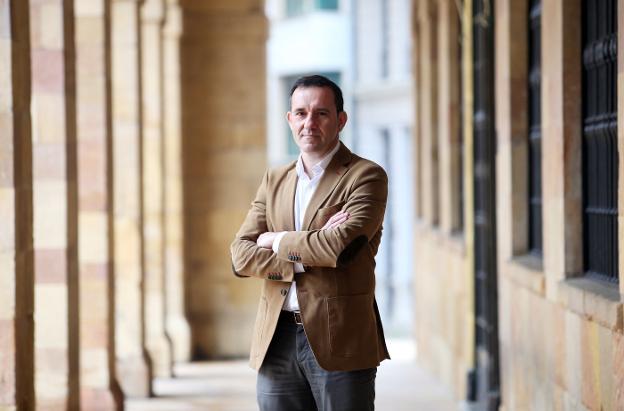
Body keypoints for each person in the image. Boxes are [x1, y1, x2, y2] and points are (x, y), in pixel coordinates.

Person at [230, 74, 390, 411]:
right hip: (277, 339)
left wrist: (274, 239)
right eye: (301, 113)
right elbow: (241, 255)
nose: (309, 122)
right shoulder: (274, 179)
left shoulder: (366, 176)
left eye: (321, 113)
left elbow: (339, 248)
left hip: (341, 337)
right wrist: (309, 247)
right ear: (289, 119)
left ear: (340, 120)